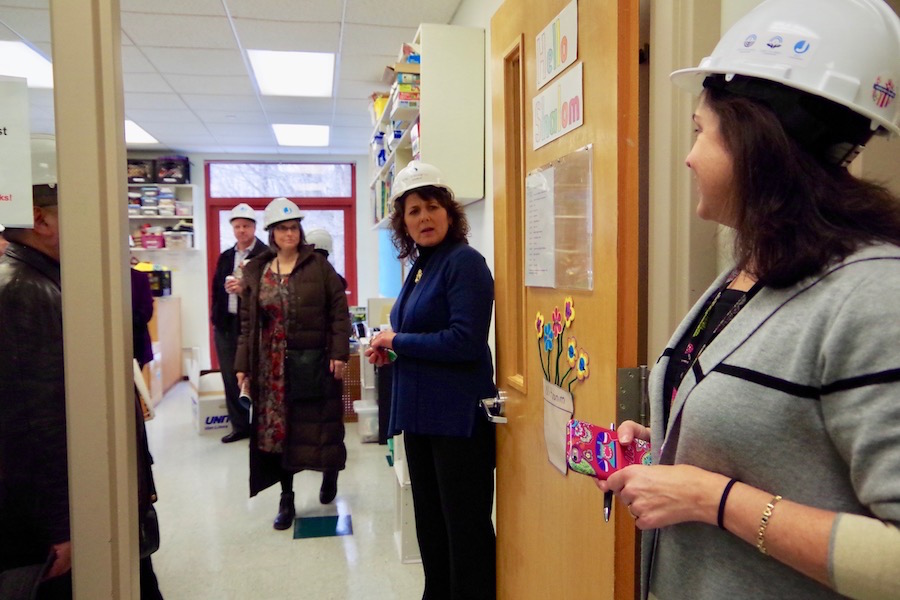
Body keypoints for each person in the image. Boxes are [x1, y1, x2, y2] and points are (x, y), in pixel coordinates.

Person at [596, 2, 900, 599]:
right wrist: (668, 445)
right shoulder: (754, 269)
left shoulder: (873, 295)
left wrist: (710, 498)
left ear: (753, 140)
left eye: (699, 132)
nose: (687, 157)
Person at [365, 161, 497, 600]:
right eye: (414, 210)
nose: (424, 217)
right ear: (403, 222)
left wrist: (399, 338)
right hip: (424, 419)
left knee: (465, 532)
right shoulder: (422, 266)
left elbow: (465, 341)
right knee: (432, 526)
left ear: (449, 212)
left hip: (458, 422)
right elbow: (419, 336)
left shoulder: (464, 262)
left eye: (433, 207)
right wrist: (393, 350)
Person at [234, 197, 351, 530]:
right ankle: (287, 498)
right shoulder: (256, 270)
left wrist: (338, 354)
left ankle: (330, 473)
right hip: (270, 369)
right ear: (271, 233)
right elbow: (247, 323)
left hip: (312, 362)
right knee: (279, 435)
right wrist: (243, 364)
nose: (289, 233)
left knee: (320, 427)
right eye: (283, 228)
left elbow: (338, 312)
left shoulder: (319, 266)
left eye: (294, 227)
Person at [0, 184, 71, 599]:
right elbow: (34, 421)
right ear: (41, 220)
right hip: (52, 529)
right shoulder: (24, 292)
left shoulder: (48, 280)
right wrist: (61, 525)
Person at [210, 203, 266, 443]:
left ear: (254, 227)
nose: (241, 230)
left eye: (246, 226)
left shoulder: (265, 255)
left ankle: (261, 427)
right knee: (230, 376)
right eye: (237, 226)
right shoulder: (226, 257)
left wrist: (245, 288)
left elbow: (269, 290)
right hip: (226, 324)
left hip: (254, 325)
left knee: (256, 375)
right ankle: (239, 425)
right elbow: (215, 290)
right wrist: (216, 319)